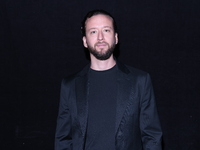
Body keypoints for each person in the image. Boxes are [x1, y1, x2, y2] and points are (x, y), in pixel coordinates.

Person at [55, 9, 162, 150]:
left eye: (106, 30)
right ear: (85, 41)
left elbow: (152, 136)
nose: (100, 37)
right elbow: (63, 139)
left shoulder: (140, 81)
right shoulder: (70, 85)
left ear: (116, 38)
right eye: (93, 31)